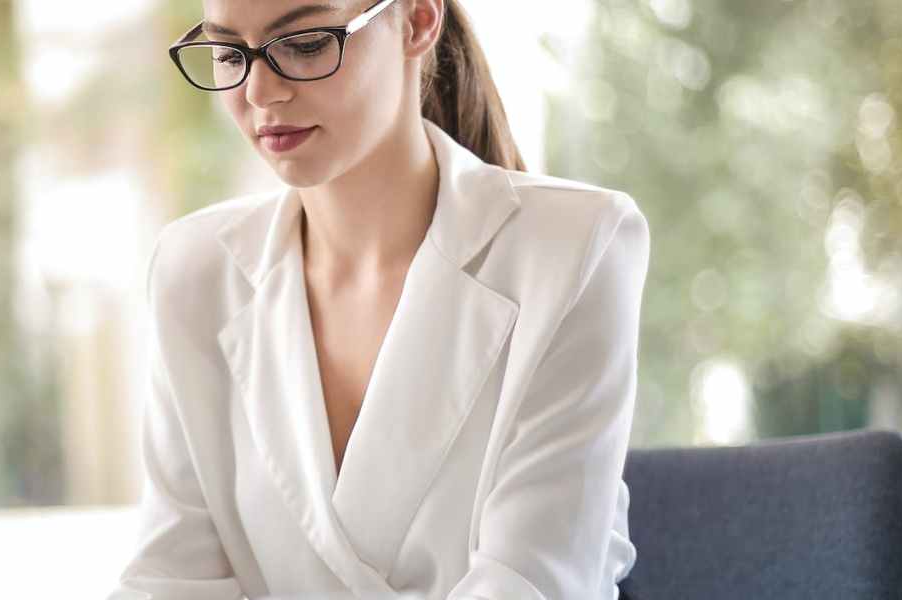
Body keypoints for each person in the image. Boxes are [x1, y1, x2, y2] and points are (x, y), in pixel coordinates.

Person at [112, 0, 649, 598]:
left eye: (306, 42)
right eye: (228, 52)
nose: (260, 91)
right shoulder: (194, 270)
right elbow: (170, 577)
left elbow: (531, 580)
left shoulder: (575, 245)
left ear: (418, 20)